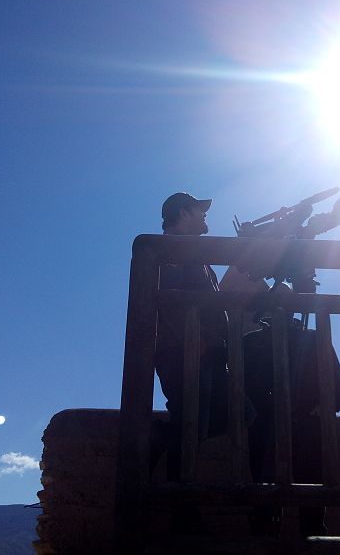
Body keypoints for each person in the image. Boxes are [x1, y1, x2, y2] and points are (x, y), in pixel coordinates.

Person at [152, 192, 229, 533]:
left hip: (206, 352)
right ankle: (182, 511)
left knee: (241, 413)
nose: (205, 216)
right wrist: (197, 343)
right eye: (200, 210)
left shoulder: (195, 253)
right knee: (189, 426)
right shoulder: (168, 250)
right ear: (183, 213)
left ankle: (161, 438)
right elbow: (170, 305)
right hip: (183, 352)